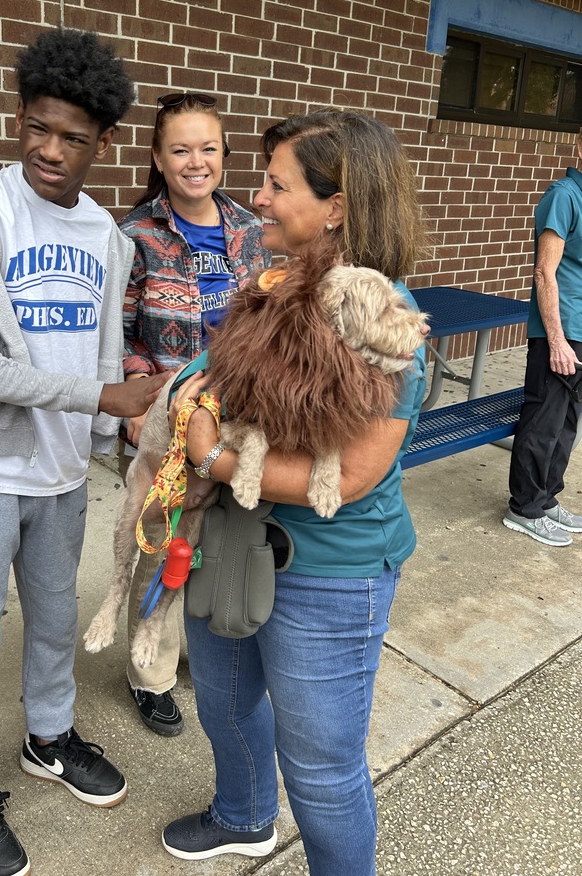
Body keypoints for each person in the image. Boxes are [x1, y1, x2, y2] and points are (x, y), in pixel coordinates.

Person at [0, 27, 170, 876]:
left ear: (105, 141)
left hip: (59, 471)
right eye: (37, 128)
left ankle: (49, 739)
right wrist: (103, 399)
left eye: (72, 137)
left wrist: (114, 425)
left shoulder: (106, 235)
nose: (50, 151)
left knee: (57, 617)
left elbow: (101, 349)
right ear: (19, 116)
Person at [161, 110, 429, 876]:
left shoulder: (378, 313)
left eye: (278, 186)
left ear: (336, 206)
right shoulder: (273, 283)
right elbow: (214, 379)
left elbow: (349, 476)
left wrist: (213, 457)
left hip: (328, 572)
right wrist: (193, 395)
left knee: (321, 767)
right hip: (233, 542)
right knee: (224, 703)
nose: (259, 198)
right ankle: (244, 816)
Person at [118, 92, 270, 735]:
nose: (195, 161)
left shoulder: (251, 230)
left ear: (224, 154)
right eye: (180, 149)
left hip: (235, 414)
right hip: (166, 416)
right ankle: (148, 669)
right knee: (162, 539)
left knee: (217, 539)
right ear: (158, 158)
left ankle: (193, 649)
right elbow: (119, 332)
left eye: (208, 148)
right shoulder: (135, 236)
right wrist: (135, 397)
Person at [504, 128, 582, 547]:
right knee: (544, 420)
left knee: (567, 423)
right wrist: (556, 340)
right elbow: (543, 271)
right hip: (561, 330)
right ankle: (524, 508)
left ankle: (547, 498)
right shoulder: (564, 196)